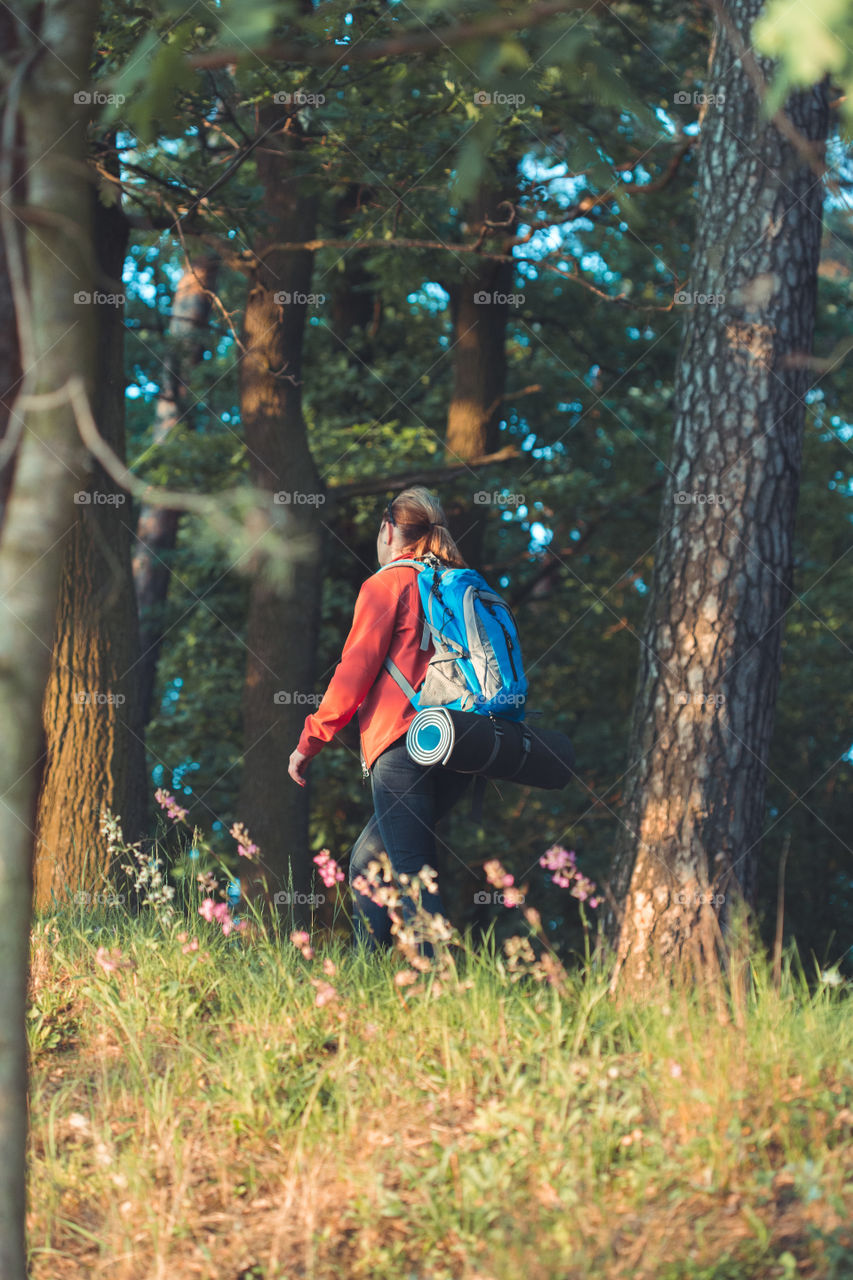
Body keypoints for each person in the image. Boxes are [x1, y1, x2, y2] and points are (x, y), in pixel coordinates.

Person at [287, 487, 472, 950]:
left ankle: (442, 992)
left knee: (410, 874)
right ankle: (370, 979)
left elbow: (353, 675)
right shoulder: (457, 583)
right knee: (370, 866)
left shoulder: (387, 584)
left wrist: (308, 741)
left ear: (389, 531)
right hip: (463, 743)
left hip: (407, 745)